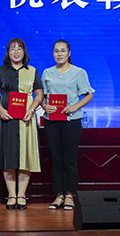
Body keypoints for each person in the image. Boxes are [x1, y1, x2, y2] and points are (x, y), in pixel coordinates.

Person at [0, 38, 44, 210]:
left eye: (19, 48)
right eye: (12, 48)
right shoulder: (0, 71)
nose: (16, 51)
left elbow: (39, 94)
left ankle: (22, 195)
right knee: (8, 156)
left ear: (24, 52)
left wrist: (32, 109)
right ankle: (11, 195)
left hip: (26, 117)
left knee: (25, 156)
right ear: (8, 52)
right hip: (6, 117)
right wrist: (0, 110)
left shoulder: (32, 71)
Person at [41, 39, 94, 211]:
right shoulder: (47, 72)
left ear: (69, 53)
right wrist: (44, 106)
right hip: (51, 121)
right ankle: (59, 195)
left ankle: (70, 195)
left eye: (63, 50)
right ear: (53, 53)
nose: (59, 54)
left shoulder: (79, 72)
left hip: (71, 120)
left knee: (69, 159)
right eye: (56, 51)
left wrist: (74, 107)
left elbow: (88, 95)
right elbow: (41, 96)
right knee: (56, 159)